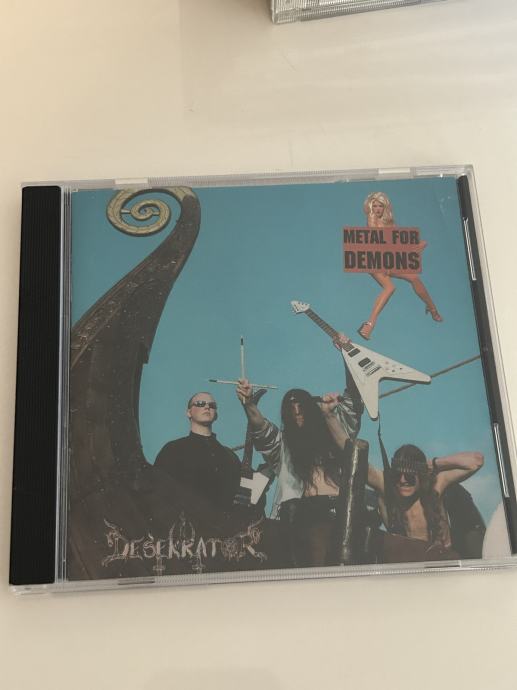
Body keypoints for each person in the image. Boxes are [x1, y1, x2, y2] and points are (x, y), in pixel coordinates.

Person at [236, 338, 364, 566]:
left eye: (301, 407)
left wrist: (347, 354)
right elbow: (260, 427)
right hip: (297, 524)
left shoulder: (334, 431)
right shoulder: (283, 446)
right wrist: (248, 403)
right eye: (291, 409)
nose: (297, 412)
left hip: (338, 517)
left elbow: (354, 398)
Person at [357, 191, 442, 340]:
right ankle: (369, 325)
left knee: (414, 278)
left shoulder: (390, 222)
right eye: (374, 206)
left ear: (385, 207)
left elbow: (395, 243)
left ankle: (432, 308)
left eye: (380, 206)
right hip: (373, 259)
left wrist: (414, 248)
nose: (377, 209)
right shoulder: (372, 219)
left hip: (388, 259)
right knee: (389, 287)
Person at [154, 391, 242, 517]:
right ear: (189, 412)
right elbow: (159, 493)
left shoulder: (230, 456)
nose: (207, 407)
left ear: (216, 415)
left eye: (212, 405)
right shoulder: (173, 449)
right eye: (200, 403)